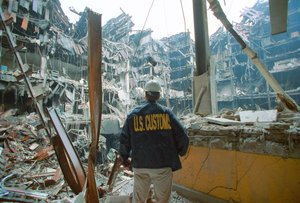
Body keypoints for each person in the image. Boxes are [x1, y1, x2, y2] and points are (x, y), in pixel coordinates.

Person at [119, 80, 189, 203]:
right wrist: (179, 152)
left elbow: (125, 139)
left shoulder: (133, 115)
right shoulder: (167, 114)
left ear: (145, 95)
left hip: (140, 165)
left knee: (139, 199)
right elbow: (182, 136)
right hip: (162, 165)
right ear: (159, 96)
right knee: (163, 200)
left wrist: (125, 159)